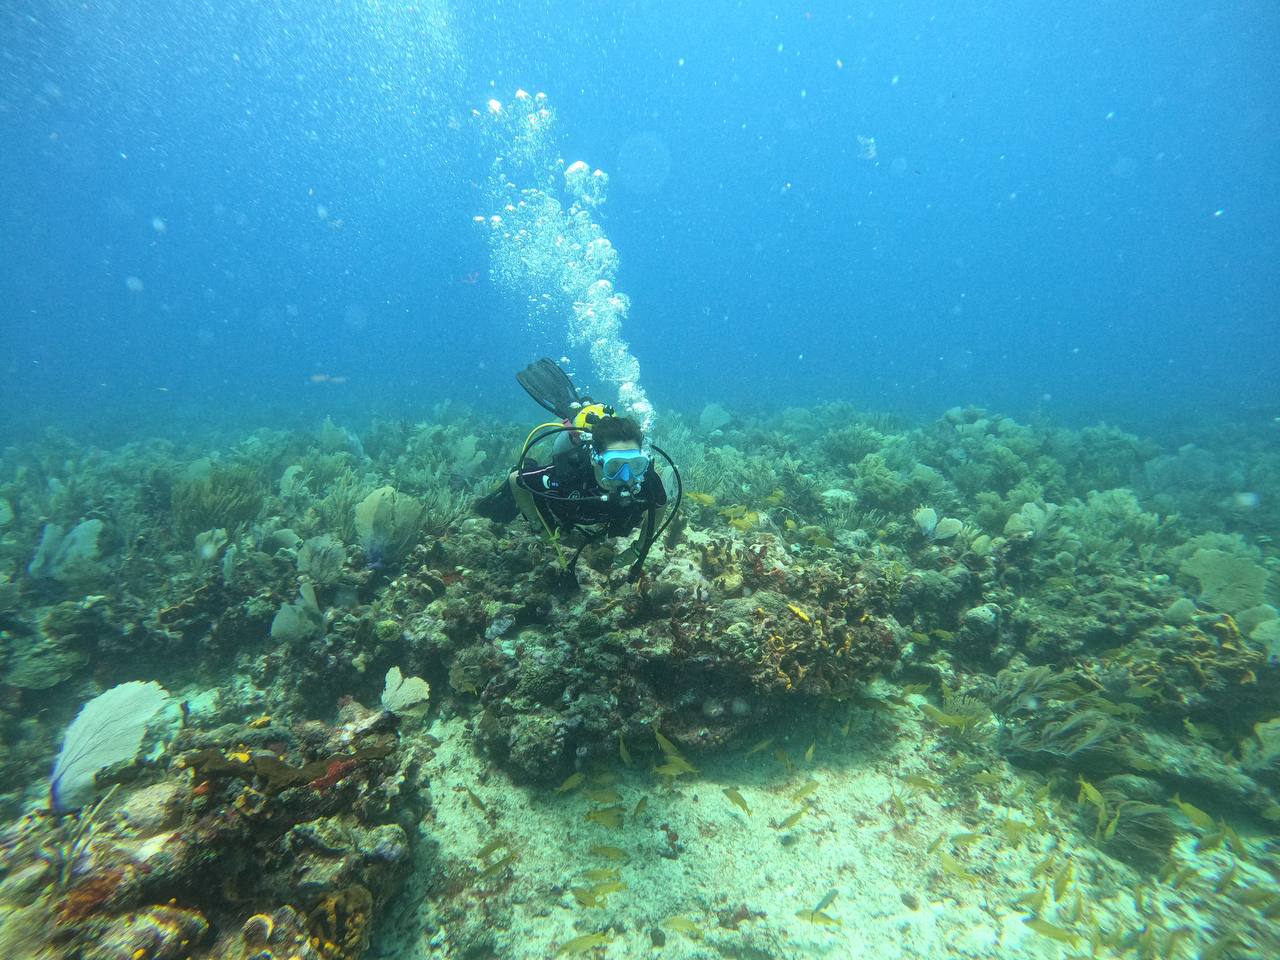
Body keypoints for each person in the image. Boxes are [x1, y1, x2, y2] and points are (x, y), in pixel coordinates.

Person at [475, 359, 681, 581]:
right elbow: (517, 480)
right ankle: (574, 411)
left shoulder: (645, 479)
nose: (626, 476)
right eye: (614, 466)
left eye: (636, 465)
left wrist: (639, 548)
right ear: (595, 459)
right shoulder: (569, 475)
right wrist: (539, 525)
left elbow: (660, 504)